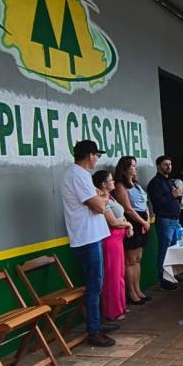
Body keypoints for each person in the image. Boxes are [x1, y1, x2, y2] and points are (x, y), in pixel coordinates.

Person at [60, 140, 117, 347]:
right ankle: (94, 330)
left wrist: (101, 197)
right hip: (86, 237)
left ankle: (98, 322)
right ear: (90, 155)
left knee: (97, 283)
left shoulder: (82, 175)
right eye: (96, 155)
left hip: (92, 235)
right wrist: (102, 197)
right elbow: (99, 206)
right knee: (94, 285)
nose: (97, 160)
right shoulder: (77, 175)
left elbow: (101, 199)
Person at [93, 170, 134, 322]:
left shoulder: (110, 197)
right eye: (111, 180)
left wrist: (127, 225)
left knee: (120, 274)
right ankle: (112, 311)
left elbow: (120, 217)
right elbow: (113, 222)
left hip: (118, 240)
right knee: (112, 276)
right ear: (104, 184)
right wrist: (128, 224)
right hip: (110, 241)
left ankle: (120, 306)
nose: (114, 182)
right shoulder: (101, 200)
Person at [114, 156, 152, 306]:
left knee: (138, 259)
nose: (136, 168)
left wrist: (147, 217)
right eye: (133, 166)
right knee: (130, 260)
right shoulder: (120, 185)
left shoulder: (136, 184)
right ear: (125, 169)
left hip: (143, 221)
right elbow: (128, 209)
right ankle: (131, 293)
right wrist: (143, 221)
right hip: (133, 222)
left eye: (136, 166)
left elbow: (145, 202)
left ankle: (138, 290)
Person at [147, 155, 182, 291]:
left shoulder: (170, 181)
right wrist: (172, 195)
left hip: (175, 220)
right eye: (165, 164)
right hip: (164, 220)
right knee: (164, 250)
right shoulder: (154, 183)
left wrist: (177, 197)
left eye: (170, 164)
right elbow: (158, 202)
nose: (169, 167)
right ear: (158, 166)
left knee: (174, 249)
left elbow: (176, 198)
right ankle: (163, 279)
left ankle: (172, 275)